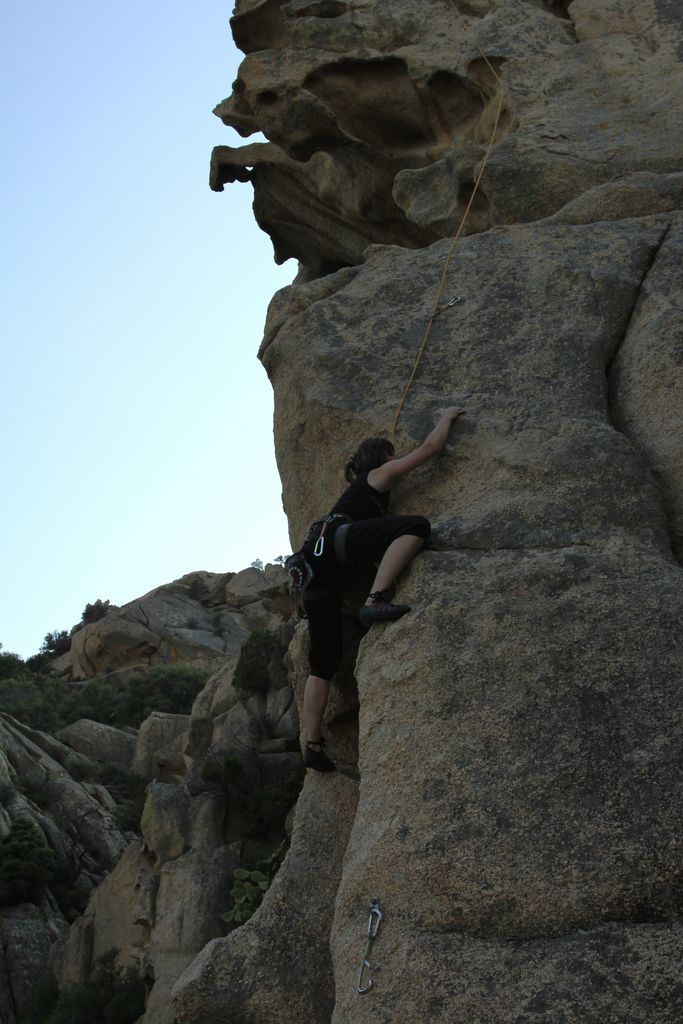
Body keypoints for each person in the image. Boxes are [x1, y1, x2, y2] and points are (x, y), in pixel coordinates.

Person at [302, 406, 465, 772]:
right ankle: (375, 600)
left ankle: (312, 745)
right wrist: (446, 418)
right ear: (384, 456)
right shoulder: (378, 474)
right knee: (416, 525)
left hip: (314, 569)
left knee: (323, 662)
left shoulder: (357, 497)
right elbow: (428, 451)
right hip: (339, 547)